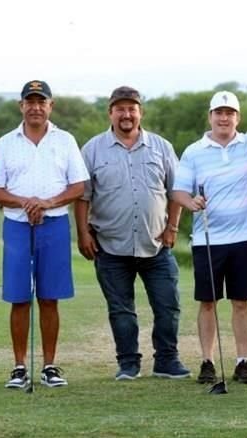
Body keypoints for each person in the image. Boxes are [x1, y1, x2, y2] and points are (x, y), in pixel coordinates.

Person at [75, 86, 190, 381]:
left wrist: (172, 227)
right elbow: (83, 197)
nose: (126, 114)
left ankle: (167, 360)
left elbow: (176, 191)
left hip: (156, 244)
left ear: (140, 112)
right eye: (120, 109)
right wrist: (83, 235)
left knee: (168, 305)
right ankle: (128, 363)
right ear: (110, 112)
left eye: (132, 108)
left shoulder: (161, 147)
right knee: (121, 310)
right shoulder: (93, 149)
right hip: (110, 245)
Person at [0, 80, 89, 389]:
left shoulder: (65, 140)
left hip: (54, 225)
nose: (35, 107)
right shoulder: (6, 142)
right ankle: (19, 367)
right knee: (19, 298)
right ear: (21, 106)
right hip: (18, 226)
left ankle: (49, 365)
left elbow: (78, 187)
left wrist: (47, 203)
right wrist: (25, 202)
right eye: (29, 102)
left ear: (50, 105)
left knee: (49, 298)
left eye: (40, 101)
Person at [172, 91, 247, 385]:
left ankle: (243, 361)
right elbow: (178, 191)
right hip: (207, 238)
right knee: (208, 302)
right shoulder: (193, 151)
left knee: (241, 301)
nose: (224, 118)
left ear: (237, 117)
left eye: (229, 113)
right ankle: (207, 361)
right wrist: (190, 203)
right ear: (210, 116)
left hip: (243, 237)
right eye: (219, 112)